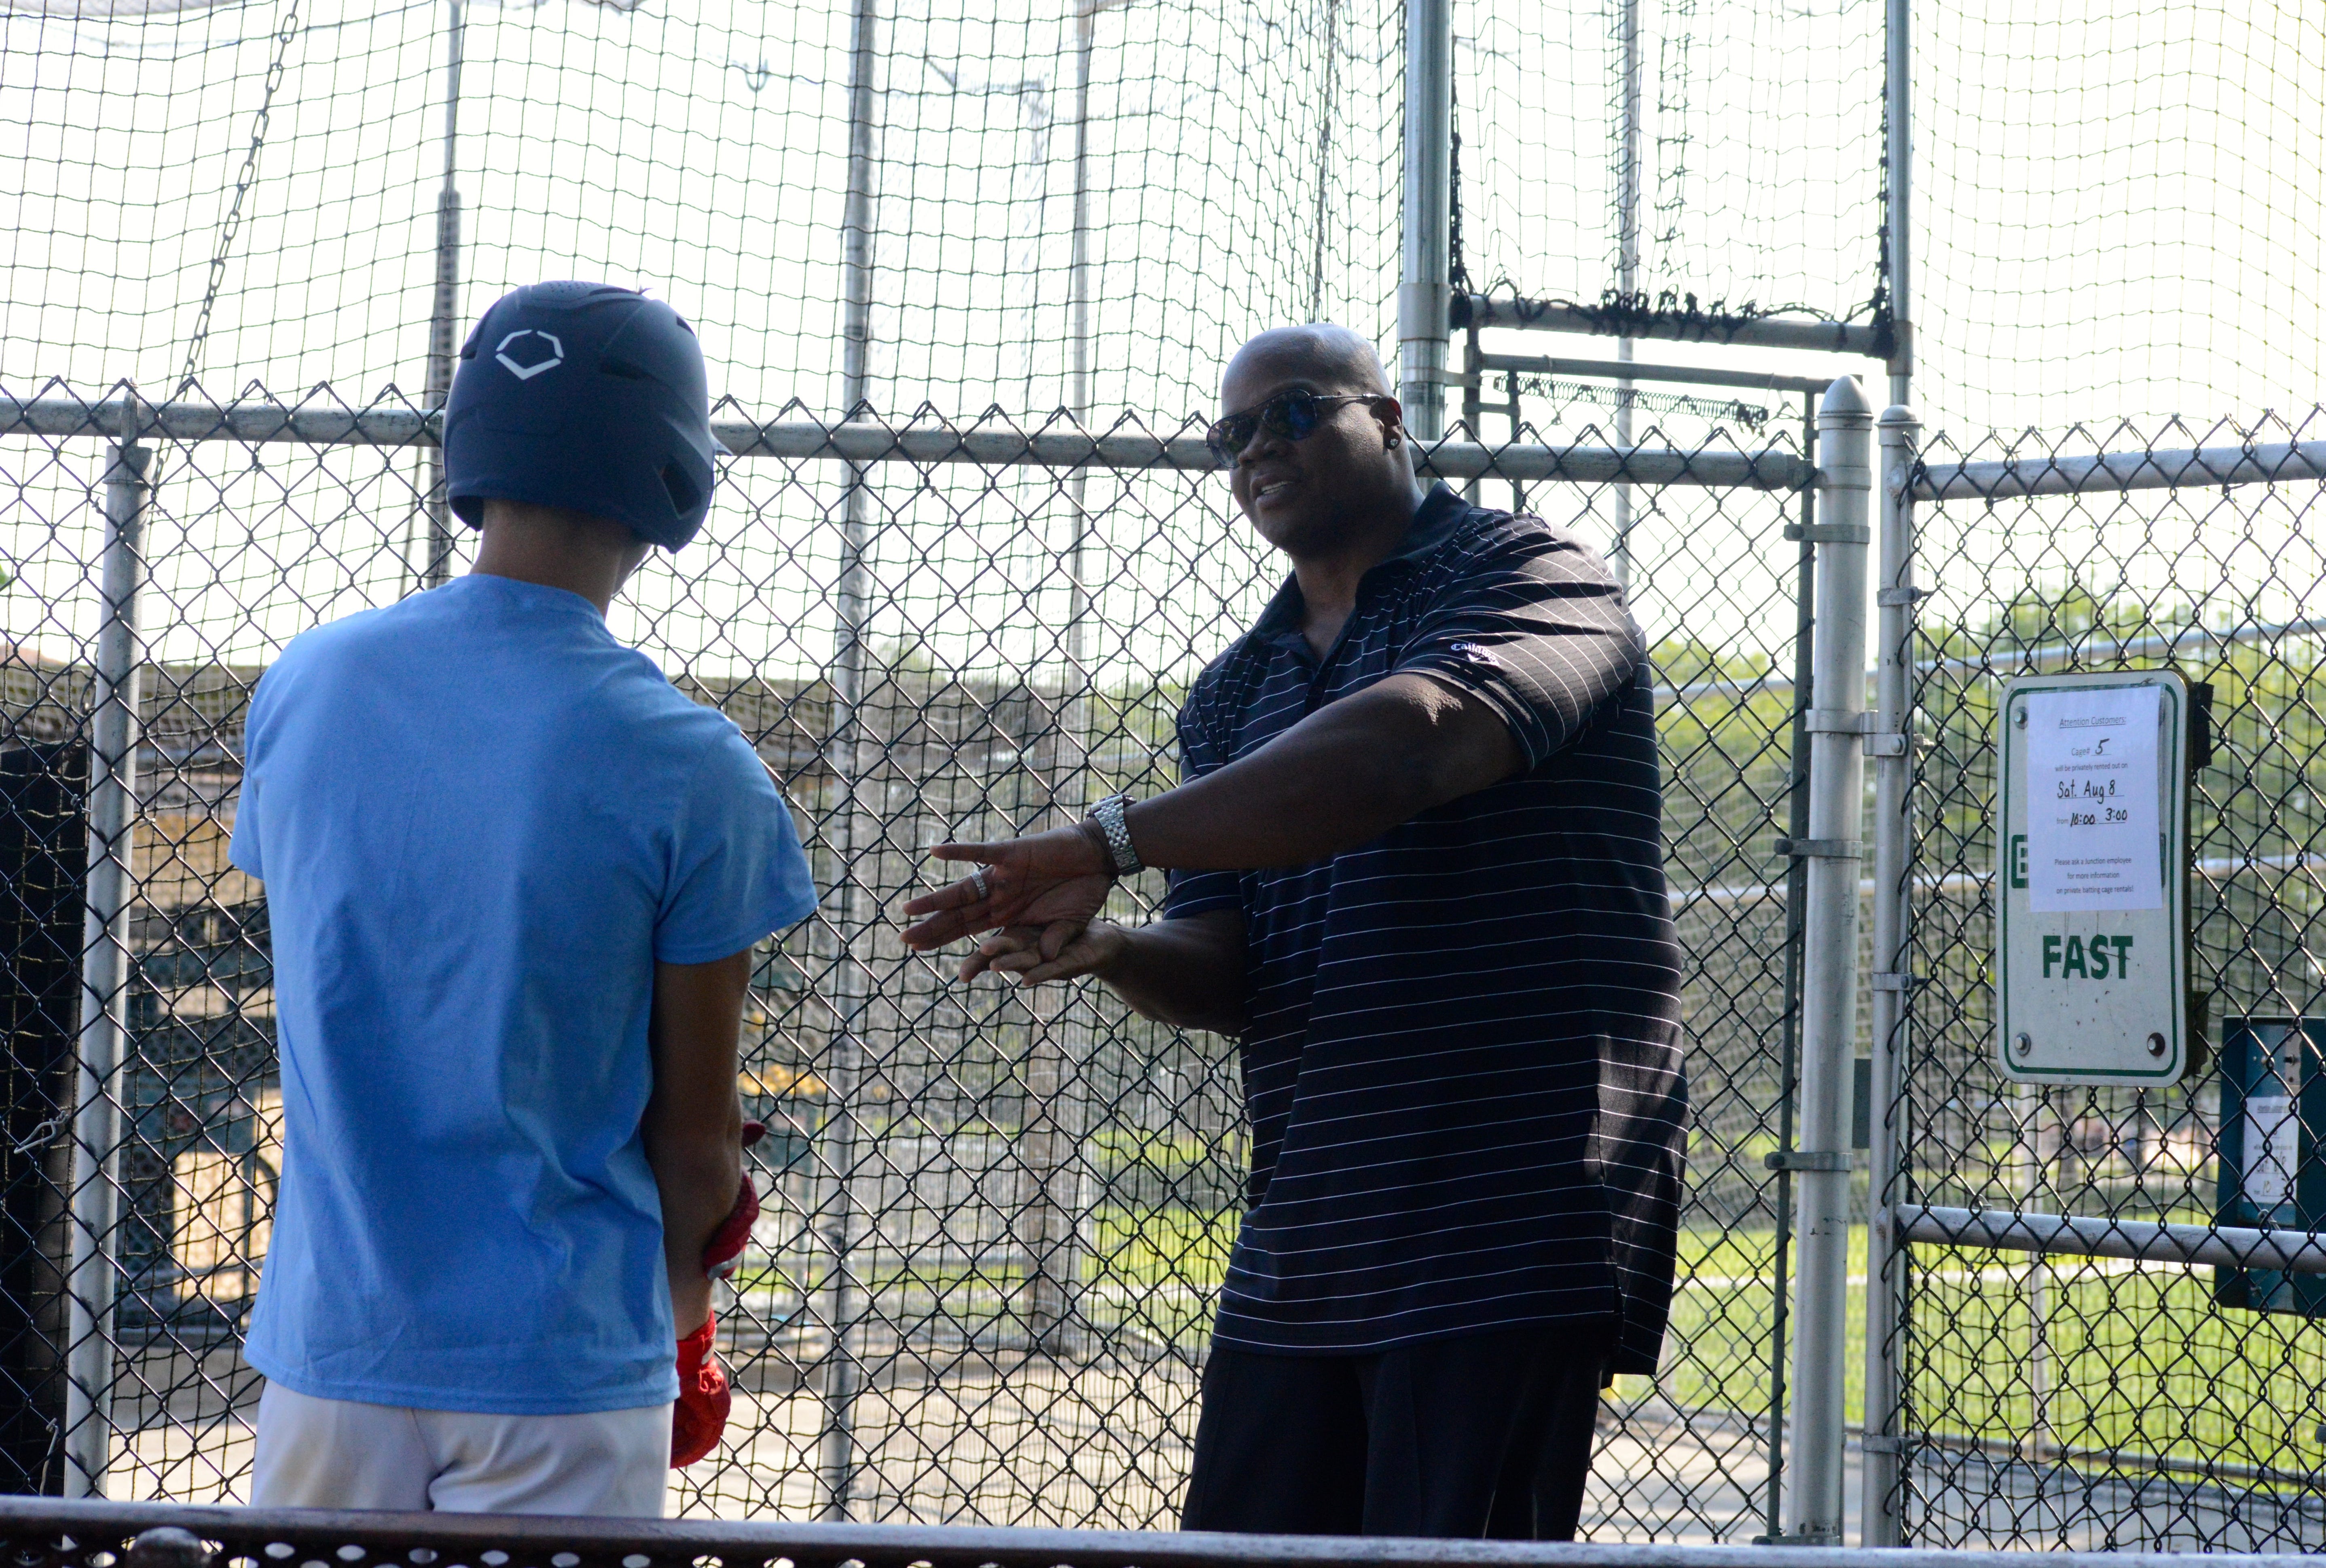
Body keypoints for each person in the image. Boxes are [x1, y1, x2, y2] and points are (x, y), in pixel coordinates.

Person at [902, 324, 1686, 1539]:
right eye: (1235, 432)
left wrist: (1112, 839)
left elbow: (1413, 742)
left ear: (1390, 421)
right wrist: (1111, 949)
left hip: (1504, 1224)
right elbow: (1228, 967)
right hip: (1307, 1237)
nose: (1261, 445)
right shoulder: (1233, 690)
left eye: (1299, 411)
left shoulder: (1533, 574)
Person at [231, 281, 818, 1514]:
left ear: (474, 448)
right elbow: (694, 1146)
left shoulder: (310, 685)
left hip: (332, 1351)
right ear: (675, 478)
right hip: (560, 1369)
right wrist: (687, 1321)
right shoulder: (692, 761)